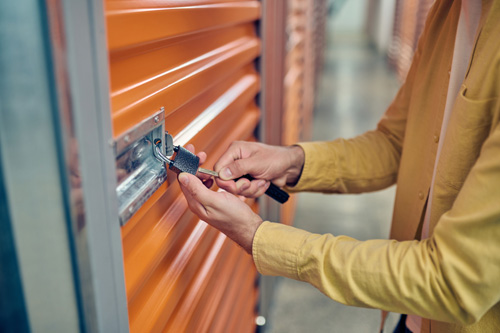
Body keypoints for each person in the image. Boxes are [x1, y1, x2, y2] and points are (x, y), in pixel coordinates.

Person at [178, 0, 500, 331]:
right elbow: (395, 144)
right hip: (413, 315)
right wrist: (292, 162)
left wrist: (258, 236)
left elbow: (454, 281)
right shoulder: (446, 14)